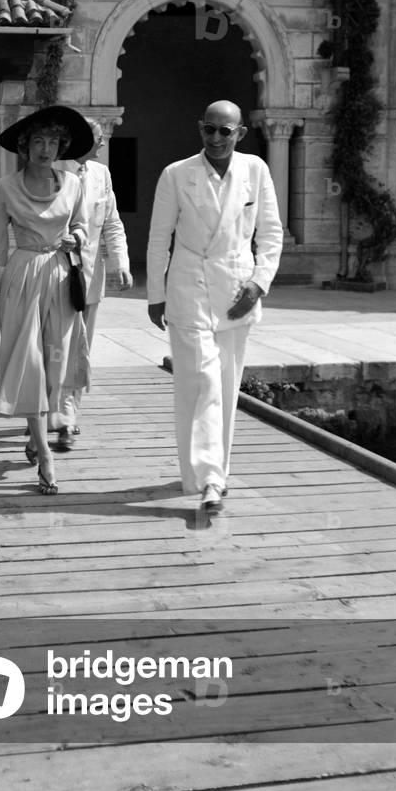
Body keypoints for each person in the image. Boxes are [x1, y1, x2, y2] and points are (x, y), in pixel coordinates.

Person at [146, 100, 283, 513]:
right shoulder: (176, 174)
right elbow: (158, 239)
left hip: (237, 291)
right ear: (200, 129)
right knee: (201, 382)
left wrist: (258, 284)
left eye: (226, 131)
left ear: (240, 133)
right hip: (188, 288)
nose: (217, 138)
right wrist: (156, 295)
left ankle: (210, 472)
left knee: (225, 385)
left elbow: (272, 233)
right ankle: (209, 479)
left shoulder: (255, 170)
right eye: (210, 129)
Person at [0, 105, 93, 496]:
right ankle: (46, 456)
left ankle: (35, 432)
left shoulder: (73, 183)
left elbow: (83, 225)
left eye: (53, 141)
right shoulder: (6, 186)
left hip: (60, 273)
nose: (45, 148)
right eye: (38, 140)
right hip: (22, 277)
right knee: (30, 365)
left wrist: (77, 238)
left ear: (62, 146)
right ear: (24, 146)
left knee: (56, 366)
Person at [53, 118, 132, 450]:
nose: (102, 145)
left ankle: (69, 417)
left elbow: (112, 222)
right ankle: (55, 413)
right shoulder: (53, 170)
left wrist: (121, 263)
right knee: (56, 347)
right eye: (98, 139)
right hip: (55, 276)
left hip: (90, 277)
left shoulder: (101, 175)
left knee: (81, 350)